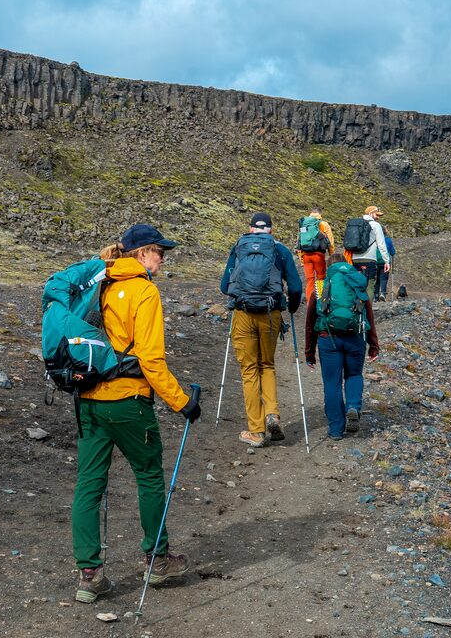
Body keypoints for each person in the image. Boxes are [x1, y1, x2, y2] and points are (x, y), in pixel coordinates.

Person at [72, 224, 201, 604]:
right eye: (160, 251)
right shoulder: (144, 291)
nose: (164, 258)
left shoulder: (97, 284)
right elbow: (151, 360)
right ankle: (157, 560)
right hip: (128, 402)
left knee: (89, 484)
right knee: (148, 476)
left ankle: (89, 574)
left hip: (88, 399)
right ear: (142, 253)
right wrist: (183, 403)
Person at [220, 212, 303, 448]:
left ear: (250, 228)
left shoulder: (239, 246)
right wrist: (292, 308)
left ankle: (256, 431)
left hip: (244, 314)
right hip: (271, 313)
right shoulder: (280, 250)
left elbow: (225, 285)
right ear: (271, 229)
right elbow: (296, 286)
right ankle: (273, 415)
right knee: (267, 364)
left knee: (249, 370)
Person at [304, 253, 379, 439]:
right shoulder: (357, 285)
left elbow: (310, 323)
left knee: (332, 383)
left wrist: (309, 353)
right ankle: (353, 406)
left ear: (329, 268)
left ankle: (336, 429)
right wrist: (373, 346)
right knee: (354, 375)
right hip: (355, 338)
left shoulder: (320, 287)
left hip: (327, 339)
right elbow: (369, 317)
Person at [345, 206, 390, 301]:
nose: (378, 217)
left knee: (357, 283)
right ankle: (367, 311)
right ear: (370, 213)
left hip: (355, 259)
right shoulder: (376, 225)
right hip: (370, 259)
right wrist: (386, 261)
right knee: (369, 285)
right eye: (377, 215)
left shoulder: (356, 225)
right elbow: (381, 245)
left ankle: (356, 309)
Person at [296, 206, 334, 301]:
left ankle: (310, 303)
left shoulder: (303, 224)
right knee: (321, 278)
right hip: (318, 255)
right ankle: (321, 301)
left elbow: (299, 242)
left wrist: (301, 260)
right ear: (320, 214)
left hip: (306, 255)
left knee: (310, 280)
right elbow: (330, 241)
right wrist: (331, 255)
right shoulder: (323, 224)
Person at [374, 228, 396, 302]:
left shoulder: (375, 240)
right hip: (385, 262)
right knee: (383, 279)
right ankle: (382, 293)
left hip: (375, 261)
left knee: (376, 279)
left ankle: (375, 296)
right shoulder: (388, 240)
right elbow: (393, 252)